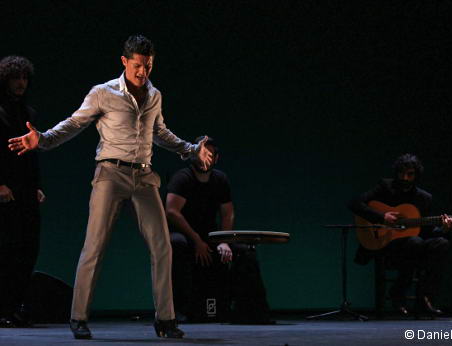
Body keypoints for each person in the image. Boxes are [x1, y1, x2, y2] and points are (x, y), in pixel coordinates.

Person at [8, 35, 212, 339]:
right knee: (95, 245)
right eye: (138, 66)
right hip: (110, 173)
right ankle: (78, 316)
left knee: (162, 245)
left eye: (148, 66)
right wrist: (44, 139)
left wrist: (191, 149)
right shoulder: (103, 93)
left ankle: (165, 320)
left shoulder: (155, 96)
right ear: (125, 62)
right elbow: (74, 123)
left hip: (144, 177)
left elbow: (160, 132)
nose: (143, 72)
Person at [165, 136, 270, 323]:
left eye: (210, 155)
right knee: (175, 244)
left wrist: (224, 241)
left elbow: (228, 213)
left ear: (216, 159)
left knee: (245, 252)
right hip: (185, 235)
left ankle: (251, 312)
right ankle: (177, 311)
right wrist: (197, 240)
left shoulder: (220, 179)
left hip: (211, 236)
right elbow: (172, 212)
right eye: (201, 154)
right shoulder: (183, 178)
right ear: (193, 156)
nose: (205, 159)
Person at [348, 154, 452, 317]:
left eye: (409, 174)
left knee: (441, 243)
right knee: (415, 242)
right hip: (385, 245)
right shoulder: (385, 187)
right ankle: (399, 292)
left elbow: (425, 231)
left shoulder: (424, 198)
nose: (405, 178)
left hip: (411, 246)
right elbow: (355, 203)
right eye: (401, 174)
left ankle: (425, 297)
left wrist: (444, 228)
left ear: (416, 175)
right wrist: (382, 217)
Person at [0, 55, 46, 328]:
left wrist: (38, 186)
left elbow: (32, 154)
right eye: (16, 78)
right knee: (6, 250)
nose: (21, 83)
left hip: (26, 189)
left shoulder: (29, 113)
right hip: (5, 190)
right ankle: (3, 308)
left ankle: (16, 307)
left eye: (24, 78)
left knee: (28, 248)